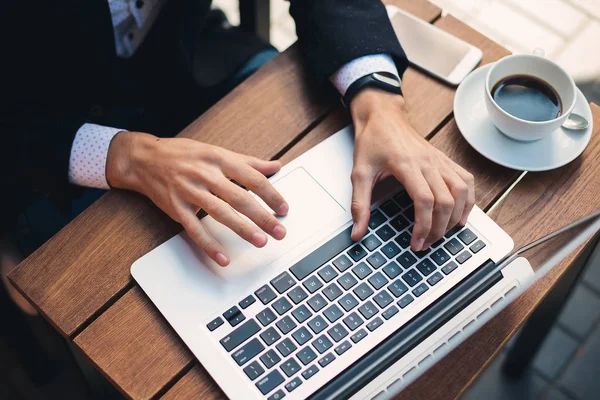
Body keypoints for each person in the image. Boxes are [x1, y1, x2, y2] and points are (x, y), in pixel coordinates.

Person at [0, 0, 474, 301]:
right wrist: (123, 155)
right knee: (89, 305)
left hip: (190, 64)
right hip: (43, 152)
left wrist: (378, 103)